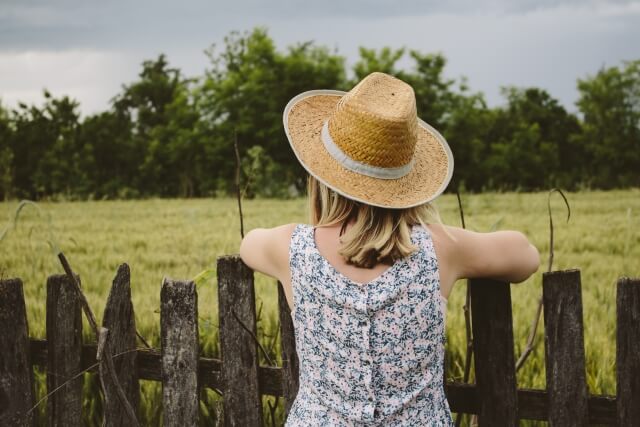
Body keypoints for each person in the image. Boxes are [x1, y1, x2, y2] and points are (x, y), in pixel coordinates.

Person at [239, 72, 540, 426]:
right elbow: (526, 256)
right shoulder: (440, 248)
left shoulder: (289, 247)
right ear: (407, 183)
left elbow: (248, 244)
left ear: (320, 178)